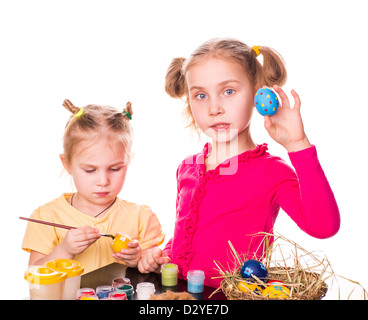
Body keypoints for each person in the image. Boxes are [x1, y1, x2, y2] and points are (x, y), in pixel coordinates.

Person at [139, 38, 340, 288]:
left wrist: (297, 145)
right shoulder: (187, 168)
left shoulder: (271, 172)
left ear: (257, 93)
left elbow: (323, 227)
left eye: (229, 91)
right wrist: (162, 254)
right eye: (200, 95)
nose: (214, 108)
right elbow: (187, 234)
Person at [22, 100, 165, 274]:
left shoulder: (141, 217)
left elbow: (157, 270)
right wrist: (65, 250)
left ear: (128, 161)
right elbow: (33, 275)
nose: (103, 181)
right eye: (90, 170)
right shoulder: (47, 217)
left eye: (115, 169)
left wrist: (142, 259)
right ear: (66, 163)